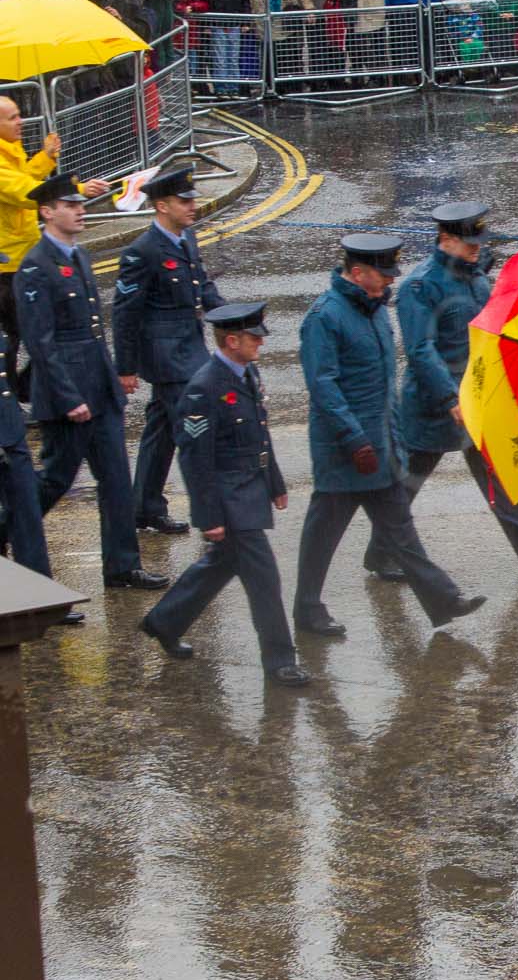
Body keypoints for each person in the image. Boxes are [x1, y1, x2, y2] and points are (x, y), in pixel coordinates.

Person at [293, 234, 485, 639]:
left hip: (378, 447)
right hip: (345, 451)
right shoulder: (325, 317)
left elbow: (383, 386)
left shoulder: (375, 310)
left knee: (400, 529)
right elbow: (324, 388)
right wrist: (354, 440)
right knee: (323, 534)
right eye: (383, 275)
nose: (390, 282)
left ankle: (443, 599)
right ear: (358, 272)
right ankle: (307, 609)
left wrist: (391, 440)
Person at [363, 201, 518, 584]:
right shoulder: (420, 287)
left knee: (498, 478)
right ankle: (381, 553)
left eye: (479, 241)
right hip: (433, 405)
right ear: (445, 240)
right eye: (469, 242)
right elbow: (420, 350)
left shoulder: (475, 276)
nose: (477, 248)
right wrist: (450, 398)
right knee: (408, 482)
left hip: (478, 398)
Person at [138, 303, 310, 685]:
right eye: (254, 339)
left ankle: (165, 622)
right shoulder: (203, 389)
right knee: (264, 579)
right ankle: (280, 660)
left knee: (220, 565)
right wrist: (208, 516)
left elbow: (260, 435)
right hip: (229, 500)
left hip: (250, 490)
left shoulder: (247, 372)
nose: (260, 345)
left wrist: (275, 482)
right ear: (232, 341)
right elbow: (195, 460)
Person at [14, 175, 166, 590]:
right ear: (47, 211)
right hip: (69, 398)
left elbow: (93, 330)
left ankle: (122, 567)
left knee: (116, 480)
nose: (81, 210)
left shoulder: (77, 256)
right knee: (55, 480)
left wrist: (112, 382)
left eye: (80, 204)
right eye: (70, 204)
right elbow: (40, 343)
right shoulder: (34, 267)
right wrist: (67, 397)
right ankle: (10, 533)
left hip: (99, 390)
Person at [111, 166, 223, 537]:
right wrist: (125, 367)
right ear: (161, 206)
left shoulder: (185, 238)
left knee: (161, 430)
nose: (193, 206)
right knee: (195, 430)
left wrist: (231, 323)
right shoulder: (142, 252)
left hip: (189, 346)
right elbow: (125, 313)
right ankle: (213, 513)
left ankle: (144, 507)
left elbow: (202, 286)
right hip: (168, 357)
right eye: (184, 201)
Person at [0, 98, 108, 394]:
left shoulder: (10, 152)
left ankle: (22, 389)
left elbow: (24, 179)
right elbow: (24, 192)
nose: (20, 122)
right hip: (7, 265)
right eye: (12, 118)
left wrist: (45, 158)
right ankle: (11, 398)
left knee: (34, 330)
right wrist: (78, 190)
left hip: (21, 257)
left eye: (19, 115)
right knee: (19, 335)